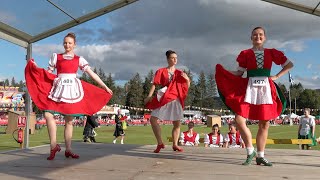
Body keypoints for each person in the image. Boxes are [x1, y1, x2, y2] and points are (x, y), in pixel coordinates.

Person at [25, 32, 113, 160]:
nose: (67, 45)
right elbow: (47, 74)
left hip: (72, 90)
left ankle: (68, 149)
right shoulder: (56, 57)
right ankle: (53, 145)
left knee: (69, 121)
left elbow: (91, 74)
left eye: (70, 43)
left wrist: (104, 86)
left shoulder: (79, 59)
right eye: (65, 42)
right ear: (63, 44)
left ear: (74, 45)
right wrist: (36, 69)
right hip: (58, 89)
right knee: (48, 114)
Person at [215, 27, 294, 166]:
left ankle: (260, 155)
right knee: (239, 119)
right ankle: (250, 150)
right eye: (255, 35)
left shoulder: (272, 52)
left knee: (264, 123)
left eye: (260, 35)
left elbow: (289, 64)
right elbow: (239, 73)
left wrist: (276, 76)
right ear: (251, 37)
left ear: (265, 37)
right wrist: (224, 72)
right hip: (249, 88)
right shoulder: (245, 54)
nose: (258, 37)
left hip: (266, 88)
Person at [144, 50, 190, 153]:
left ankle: (175, 144)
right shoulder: (161, 71)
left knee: (177, 123)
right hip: (164, 97)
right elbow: (154, 84)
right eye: (173, 58)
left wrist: (187, 80)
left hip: (176, 99)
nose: (175, 59)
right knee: (153, 119)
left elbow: (186, 88)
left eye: (176, 58)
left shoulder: (180, 73)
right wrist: (149, 96)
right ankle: (160, 143)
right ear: (168, 59)